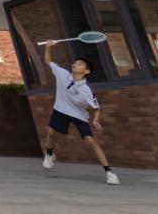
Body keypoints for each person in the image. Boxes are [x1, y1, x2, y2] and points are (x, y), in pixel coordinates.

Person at [40, 39, 118, 185]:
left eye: (81, 63)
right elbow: (48, 61)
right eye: (76, 62)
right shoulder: (63, 74)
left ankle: (110, 173)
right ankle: (50, 154)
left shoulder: (86, 90)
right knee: (51, 133)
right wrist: (48, 47)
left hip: (78, 115)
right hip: (60, 109)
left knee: (90, 141)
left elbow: (96, 108)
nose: (76, 63)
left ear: (86, 71)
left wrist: (96, 119)